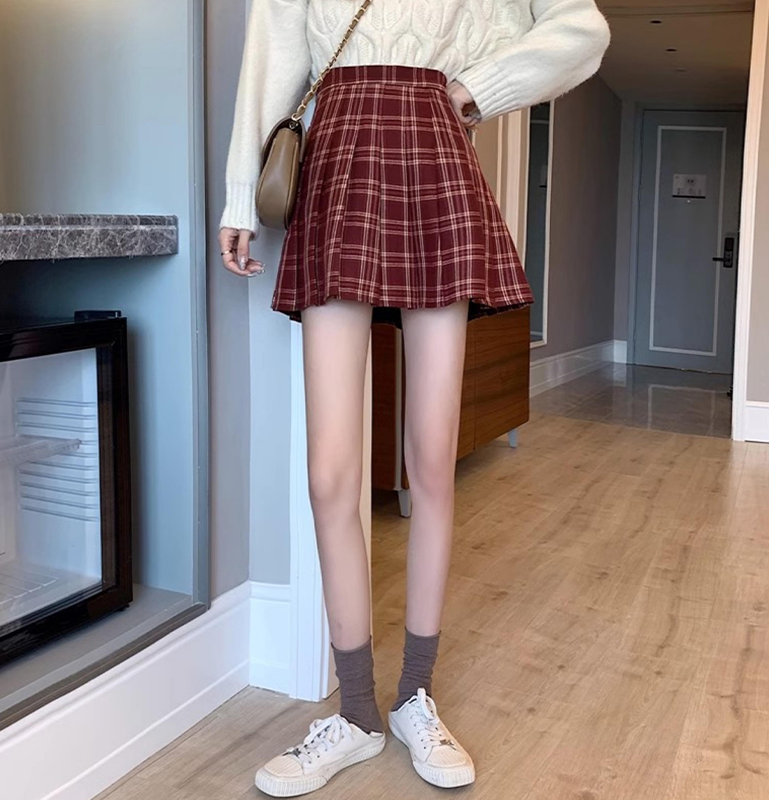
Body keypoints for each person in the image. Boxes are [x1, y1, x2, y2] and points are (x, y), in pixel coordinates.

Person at [220, 0, 609, 795]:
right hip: (337, 161)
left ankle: (413, 697)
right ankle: (357, 712)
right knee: (330, 474)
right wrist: (238, 199)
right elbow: (271, 59)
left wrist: (474, 89)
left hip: (436, 159)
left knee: (431, 462)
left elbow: (583, 28)